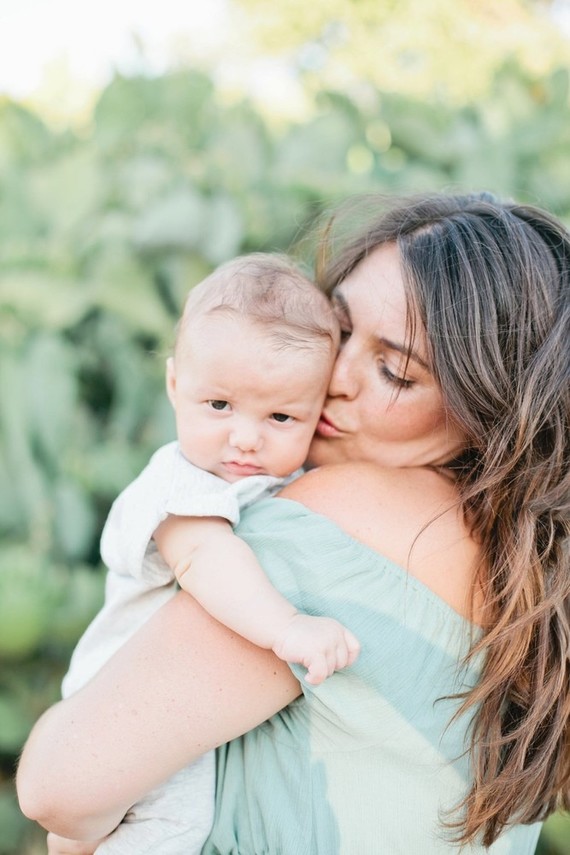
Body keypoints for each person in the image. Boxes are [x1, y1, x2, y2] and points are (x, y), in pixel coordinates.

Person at [17, 192, 569, 854]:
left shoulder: (347, 515)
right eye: (336, 332)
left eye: (394, 370)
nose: (333, 376)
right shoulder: (528, 582)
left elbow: (59, 783)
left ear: (489, 409)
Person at [51, 252, 358, 854]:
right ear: (174, 385)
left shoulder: (258, 481)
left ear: (318, 413)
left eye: (280, 415)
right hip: (125, 703)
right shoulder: (181, 484)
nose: (245, 437)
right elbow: (204, 558)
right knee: (173, 829)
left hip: (161, 702)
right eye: (219, 406)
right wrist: (288, 629)